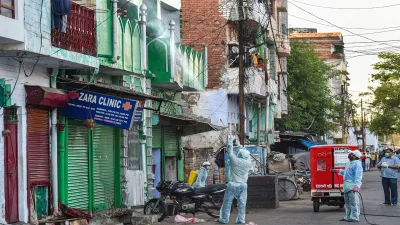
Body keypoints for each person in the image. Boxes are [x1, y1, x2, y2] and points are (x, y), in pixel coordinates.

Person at [218, 137, 252, 224]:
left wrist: (230, 142)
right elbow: (246, 154)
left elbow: (230, 151)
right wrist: (240, 146)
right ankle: (241, 220)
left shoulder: (235, 160)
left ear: (239, 154)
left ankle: (224, 219)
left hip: (233, 184)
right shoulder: (248, 163)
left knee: (227, 202)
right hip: (243, 185)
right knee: (242, 204)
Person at [332, 150, 363, 222]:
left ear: (356, 156)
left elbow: (358, 176)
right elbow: (346, 173)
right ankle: (348, 216)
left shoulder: (357, 164)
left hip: (352, 186)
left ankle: (355, 217)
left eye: (352, 154)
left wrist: (357, 186)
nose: (350, 154)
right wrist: (338, 171)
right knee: (347, 203)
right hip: (346, 185)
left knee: (354, 202)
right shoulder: (349, 163)